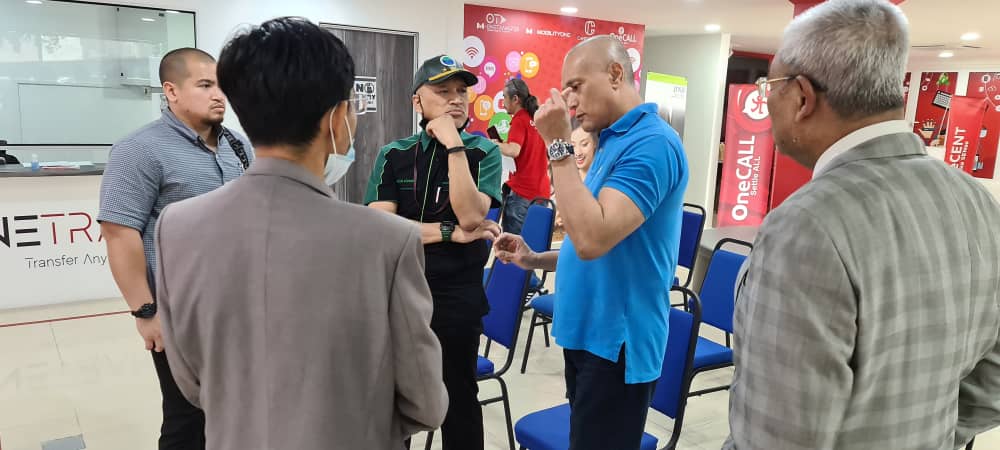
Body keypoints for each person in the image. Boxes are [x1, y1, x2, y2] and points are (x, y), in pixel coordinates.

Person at [153, 18, 447, 450]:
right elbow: (425, 404)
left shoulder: (176, 226)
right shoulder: (388, 240)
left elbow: (190, 381)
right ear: (337, 118)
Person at [725, 1, 1000, 449]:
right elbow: (992, 377)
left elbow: (775, 437)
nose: (766, 100)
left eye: (769, 86)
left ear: (802, 97)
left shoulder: (806, 226)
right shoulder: (976, 201)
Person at [494, 35, 689, 450]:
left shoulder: (652, 143)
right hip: (588, 335)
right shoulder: (611, 140)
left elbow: (591, 239)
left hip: (616, 346)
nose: (569, 101)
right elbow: (596, 238)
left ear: (616, 74)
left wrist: (558, 145)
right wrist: (536, 258)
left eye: (576, 86)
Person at [97, 46, 253, 450]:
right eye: (205, 85)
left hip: (239, 309)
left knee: (237, 410)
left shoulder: (238, 145)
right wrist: (145, 312)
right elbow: (119, 233)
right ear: (171, 91)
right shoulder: (139, 149)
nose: (218, 95)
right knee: (188, 417)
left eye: (221, 86)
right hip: (179, 313)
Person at [365, 55, 503, 450]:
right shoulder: (394, 153)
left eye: (461, 92)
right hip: (400, 291)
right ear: (417, 101)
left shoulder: (482, 152)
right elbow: (380, 228)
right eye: (442, 91)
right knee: (394, 398)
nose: (455, 99)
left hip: (457, 296)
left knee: (459, 399)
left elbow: (472, 216)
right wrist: (448, 233)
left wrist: (454, 145)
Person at [495, 78, 551, 234]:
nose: (503, 103)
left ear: (515, 99)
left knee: (514, 245)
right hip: (541, 193)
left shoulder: (519, 120)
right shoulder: (536, 119)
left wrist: (494, 144)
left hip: (522, 193)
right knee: (534, 243)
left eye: (504, 97)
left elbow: (514, 150)